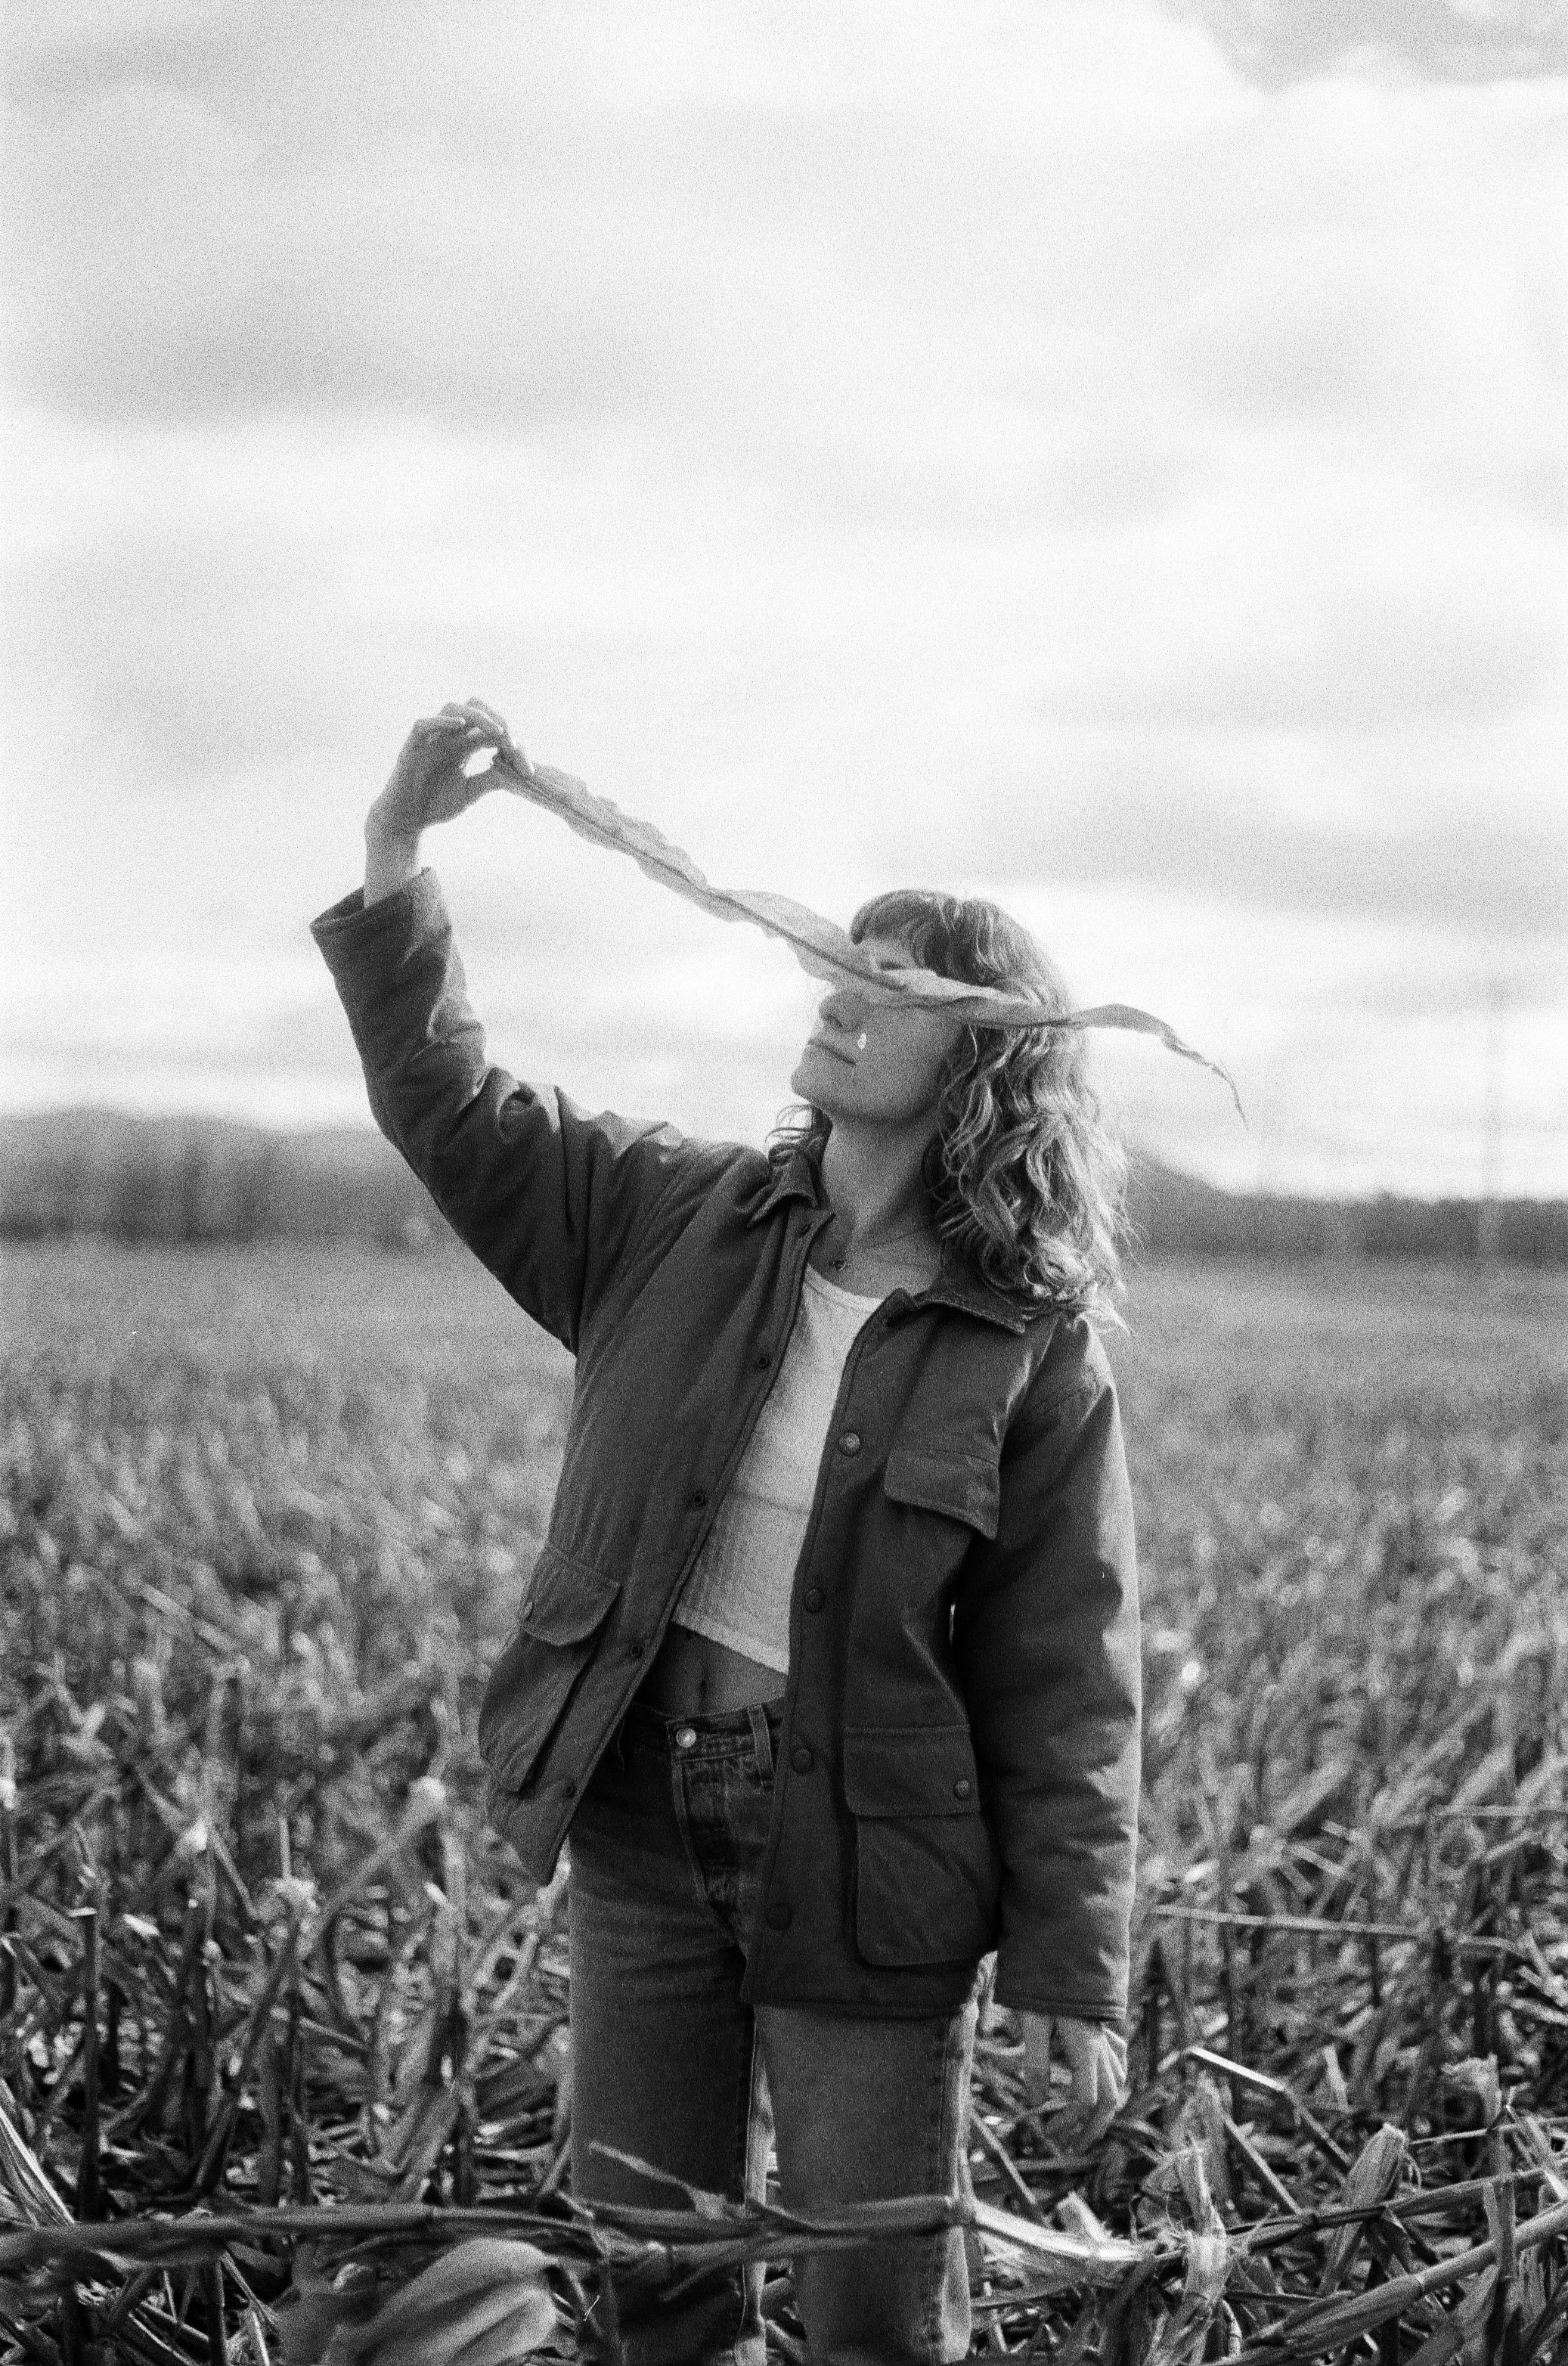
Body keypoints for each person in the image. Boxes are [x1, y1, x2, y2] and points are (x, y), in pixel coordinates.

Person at [312, 698, 1142, 2366]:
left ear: (983, 1053)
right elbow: (448, 1104)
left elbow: (1066, 1672)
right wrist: (394, 856)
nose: (836, 990)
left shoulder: (1027, 1345)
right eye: (837, 959)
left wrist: (1071, 1955)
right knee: (656, 2282)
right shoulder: (661, 1216)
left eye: (892, 983)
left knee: (869, 2317)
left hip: (861, 1853)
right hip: (633, 1817)